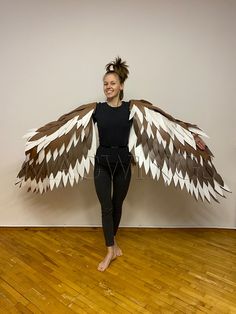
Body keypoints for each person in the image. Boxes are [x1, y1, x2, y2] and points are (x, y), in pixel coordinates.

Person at [92, 57, 132, 271]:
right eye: (105, 83)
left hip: (123, 164)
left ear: (121, 86)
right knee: (106, 207)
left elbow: (162, 124)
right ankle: (110, 250)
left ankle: (113, 243)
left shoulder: (132, 109)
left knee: (117, 206)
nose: (108, 86)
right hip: (102, 164)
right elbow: (72, 128)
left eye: (112, 83)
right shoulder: (96, 110)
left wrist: (191, 137)